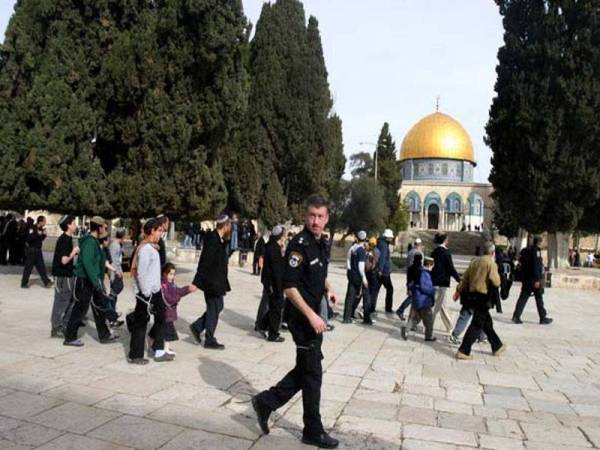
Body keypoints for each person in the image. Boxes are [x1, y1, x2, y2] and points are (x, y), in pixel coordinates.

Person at [251, 195, 340, 449]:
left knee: (307, 371)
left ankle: (266, 402)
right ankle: (313, 430)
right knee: (313, 375)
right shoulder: (298, 245)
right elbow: (289, 287)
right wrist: (311, 315)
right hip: (302, 320)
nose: (315, 221)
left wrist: (328, 288)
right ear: (305, 216)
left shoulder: (321, 243)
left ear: (326, 218)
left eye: (320, 216)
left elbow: (316, 274)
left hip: (314, 319)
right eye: (312, 215)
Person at [63, 217, 117, 347]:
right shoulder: (89, 242)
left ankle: (104, 335)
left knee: (99, 307)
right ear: (98, 227)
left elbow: (97, 262)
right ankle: (70, 337)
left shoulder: (94, 242)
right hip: (84, 280)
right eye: (104, 227)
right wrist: (96, 282)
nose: (105, 229)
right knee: (80, 309)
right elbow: (88, 264)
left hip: (93, 280)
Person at [128, 218, 173, 363]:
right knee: (141, 323)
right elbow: (141, 273)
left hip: (155, 290)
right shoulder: (145, 249)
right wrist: (146, 292)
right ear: (152, 231)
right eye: (159, 230)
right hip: (146, 292)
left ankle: (158, 350)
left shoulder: (153, 248)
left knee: (162, 317)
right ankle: (135, 355)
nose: (161, 233)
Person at [454, 242, 505, 360]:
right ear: (492, 253)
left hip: (472, 296)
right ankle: (464, 350)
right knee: (477, 324)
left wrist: (458, 290)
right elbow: (496, 281)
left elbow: (465, 279)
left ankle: (497, 345)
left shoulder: (475, 262)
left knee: (486, 323)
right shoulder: (490, 263)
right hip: (483, 297)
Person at [189, 213, 232, 350]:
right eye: (229, 225)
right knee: (214, 308)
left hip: (217, 281)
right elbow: (205, 261)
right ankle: (209, 339)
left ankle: (197, 327)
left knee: (218, 306)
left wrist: (225, 241)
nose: (230, 227)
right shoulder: (213, 239)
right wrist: (197, 281)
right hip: (212, 282)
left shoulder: (218, 239)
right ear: (225, 226)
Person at [153, 262, 196, 355]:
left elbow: (178, 291)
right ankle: (165, 348)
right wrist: (177, 298)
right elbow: (167, 299)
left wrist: (188, 289)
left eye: (173, 274)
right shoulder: (163, 285)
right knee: (167, 332)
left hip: (170, 312)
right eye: (170, 274)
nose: (172, 276)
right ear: (164, 273)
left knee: (159, 330)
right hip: (166, 312)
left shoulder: (171, 284)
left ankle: (163, 347)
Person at [49, 215, 79, 338]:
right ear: (68, 225)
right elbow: (64, 260)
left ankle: (64, 324)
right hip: (62, 276)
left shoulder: (68, 239)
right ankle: (56, 328)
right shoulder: (64, 240)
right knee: (61, 301)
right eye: (74, 223)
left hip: (68, 274)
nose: (75, 226)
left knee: (71, 300)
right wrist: (74, 253)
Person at [512, 236, 553, 325]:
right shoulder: (536, 251)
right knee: (539, 298)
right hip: (533, 280)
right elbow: (535, 266)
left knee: (523, 298)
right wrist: (537, 280)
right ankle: (543, 318)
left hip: (526, 279)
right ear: (539, 242)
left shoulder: (526, 250)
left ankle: (516, 316)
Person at [255, 225, 287, 342]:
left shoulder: (272, 246)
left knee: (274, 307)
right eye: (284, 235)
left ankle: (262, 325)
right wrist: (279, 287)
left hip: (271, 282)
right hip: (274, 283)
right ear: (280, 236)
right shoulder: (274, 249)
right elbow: (276, 271)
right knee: (276, 308)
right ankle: (273, 334)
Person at [430, 233, 460, 332]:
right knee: (435, 306)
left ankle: (449, 327)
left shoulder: (434, 252)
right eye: (447, 239)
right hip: (442, 283)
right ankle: (426, 324)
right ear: (444, 240)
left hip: (434, 281)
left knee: (442, 306)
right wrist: (459, 279)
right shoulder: (446, 253)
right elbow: (450, 268)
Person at [342, 231, 372, 325]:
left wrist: (350, 272)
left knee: (350, 296)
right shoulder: (361, 250)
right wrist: (364, 279)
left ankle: (346, 317)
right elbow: (361, 266)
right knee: (366, 296)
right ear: (365, 239)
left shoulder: (352, 248)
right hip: (359, 276)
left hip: (351, 274)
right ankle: (367, 319)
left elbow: (348, 261)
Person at [406, 256, 437, 342]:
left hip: (418, 300)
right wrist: (433, 291)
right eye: (432, 266)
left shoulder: (419, 271)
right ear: (430, 265)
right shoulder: (425, 274)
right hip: (424, 301)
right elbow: (424, 287)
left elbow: (412, 284)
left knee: (417, 318)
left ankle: (406, 330)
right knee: (429, 321)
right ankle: (428, 336)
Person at [21, 215, 53, 288]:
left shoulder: (41, 229)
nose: (45, 223)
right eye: (44, 221)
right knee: (28, 267)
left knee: (41, 267)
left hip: (38, 250)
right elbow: (29, 238)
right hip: (32, 250)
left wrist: (44, 235)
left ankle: (46, 282)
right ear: (40, 222)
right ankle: (24, 283)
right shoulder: (33, 228)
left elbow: (40, 240)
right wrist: (37, 234)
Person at [396, 238, 424, 320]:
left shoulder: (410, 252)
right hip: (416, 278)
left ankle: (403, 312)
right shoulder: (418, 253)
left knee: (412, 296)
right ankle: (401, 311)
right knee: (413, 297)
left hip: (410, 276)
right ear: (419, 245)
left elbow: (408, 264)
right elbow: (419, 266)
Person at [371, 228, 395, 314]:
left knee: (375, 290)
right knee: (390, 289)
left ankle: (371, 308)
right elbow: (383, 258)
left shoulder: (379, 242)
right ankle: (388, 308)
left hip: (377, 270)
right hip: (384, 272)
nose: (392, 239)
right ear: (387, 237)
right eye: (391, 238)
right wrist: (381, 270)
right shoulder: (384, 245)